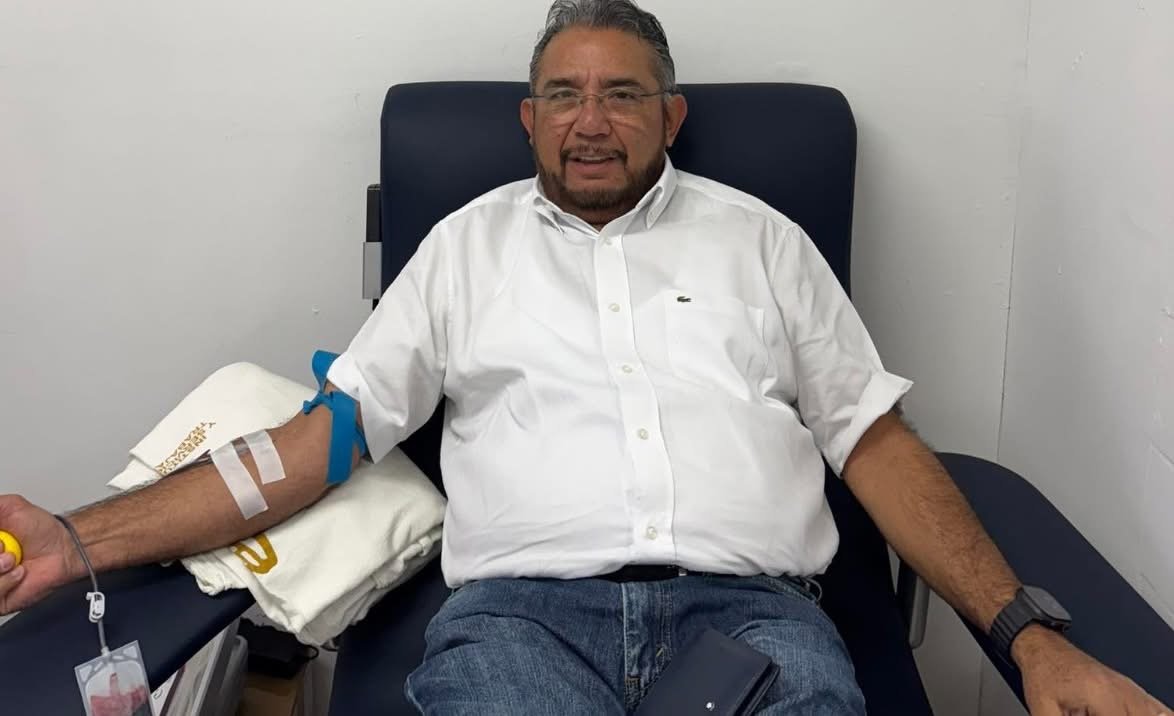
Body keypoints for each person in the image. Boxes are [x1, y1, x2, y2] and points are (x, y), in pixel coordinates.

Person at [1, 1, 1169, 714]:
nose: (590, 120)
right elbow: (317, 445)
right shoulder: (462, 250)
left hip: (755, 620)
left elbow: (874, 441)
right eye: (562, 94)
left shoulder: (762, 243)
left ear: (671, 115)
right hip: (519, 625)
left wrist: (1027, 637)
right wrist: (76, 536)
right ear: (528, 119)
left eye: (621, 94)